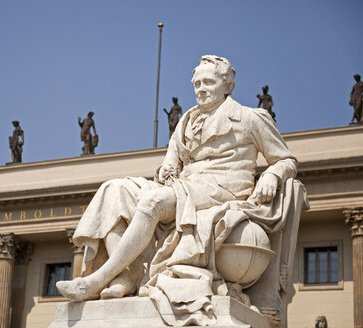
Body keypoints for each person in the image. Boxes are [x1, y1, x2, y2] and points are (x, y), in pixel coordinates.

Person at [57, 55, 297, 323]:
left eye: (208, 82)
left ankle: (97, 280)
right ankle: (127, 274)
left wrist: (273, 175)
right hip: (184, 187)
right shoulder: (186, 121)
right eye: (196, 84)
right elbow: (169, 163)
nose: (201, 89)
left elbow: (286, 160)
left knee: (152, 202)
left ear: (227, 85)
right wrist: (166, 171)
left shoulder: (251, 118)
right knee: (114, 190)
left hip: (220, 189)